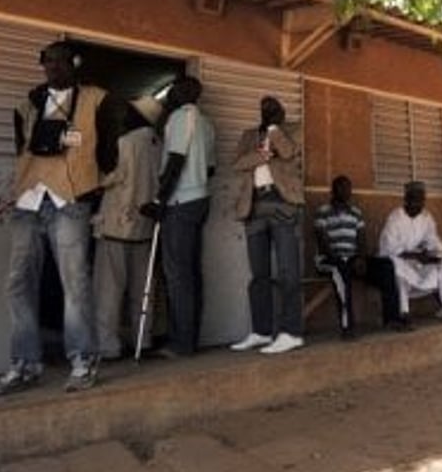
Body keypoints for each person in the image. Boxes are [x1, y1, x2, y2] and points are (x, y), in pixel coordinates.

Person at [0, 40, 108, 396]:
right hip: (30, 197)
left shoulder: (97, 100)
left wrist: (94, 186)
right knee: (18, 282)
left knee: (74, 282)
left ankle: (83, 360)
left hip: (71, 198)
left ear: (75, 63)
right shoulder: (28, 103)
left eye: (59, 60)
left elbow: (111, 149)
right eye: (46, 61)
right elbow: (21, 147)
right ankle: (25, 363)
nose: (52, 66)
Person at [140, 77, 216, 357]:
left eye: (174, 89)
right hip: (200, 199)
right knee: (191, 272)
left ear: (182, 92)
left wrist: (160, 199)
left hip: (181, 201)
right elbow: (210, 169)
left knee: (178, 275)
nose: (170, 93)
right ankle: (188, 338)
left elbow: (176, 160)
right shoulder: (206, 124)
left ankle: (180, 343)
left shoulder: (182, 117)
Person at [230, 96, 305, 355]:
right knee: (258, 274)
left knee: (288, 272)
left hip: (283, 204)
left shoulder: (294, 130)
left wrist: (274, 129)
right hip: (254, 206)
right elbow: (238, 163)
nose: (268, 112)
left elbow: (287, 152)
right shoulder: (249, 134)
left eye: (273, 109)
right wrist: (262, 154)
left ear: (281, 112)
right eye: (265, 109)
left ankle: (291, 332)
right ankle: (261, 332)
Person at [92, 96, 163, 361]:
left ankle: (107, 346)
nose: (125, 116)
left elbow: (111, 178)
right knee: (142, 289)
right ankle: (141, 341)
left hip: (117, 225)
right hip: (145, 228)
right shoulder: (159, 144)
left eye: (129, 112)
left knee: (109, 290)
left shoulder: (126, 142)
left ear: (139, 116)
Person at [378, 181, 442, 324]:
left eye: (421, 200)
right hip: (395, 261)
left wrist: (437, 255)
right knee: (397, 269)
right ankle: (403, 313)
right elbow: (390, 249)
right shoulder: (395, 218)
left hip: (416, 261)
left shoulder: (426, 217)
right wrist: (418, 256)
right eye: (414, 200)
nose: (418, 204)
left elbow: (433, 241)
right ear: (406, 199)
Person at [313, 175, 367, 339]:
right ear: (333, 191)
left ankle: (395, 318)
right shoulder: (323, 212)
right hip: (328, 260)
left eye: (348, 188)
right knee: (342, 274)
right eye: (342, 188)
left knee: (385, 266)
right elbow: (322, 242)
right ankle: (347, 326)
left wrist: (360, 258)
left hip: (350, 259)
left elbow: (362, 239)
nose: (346, 191)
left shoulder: (356, 213)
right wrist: (341, 259)